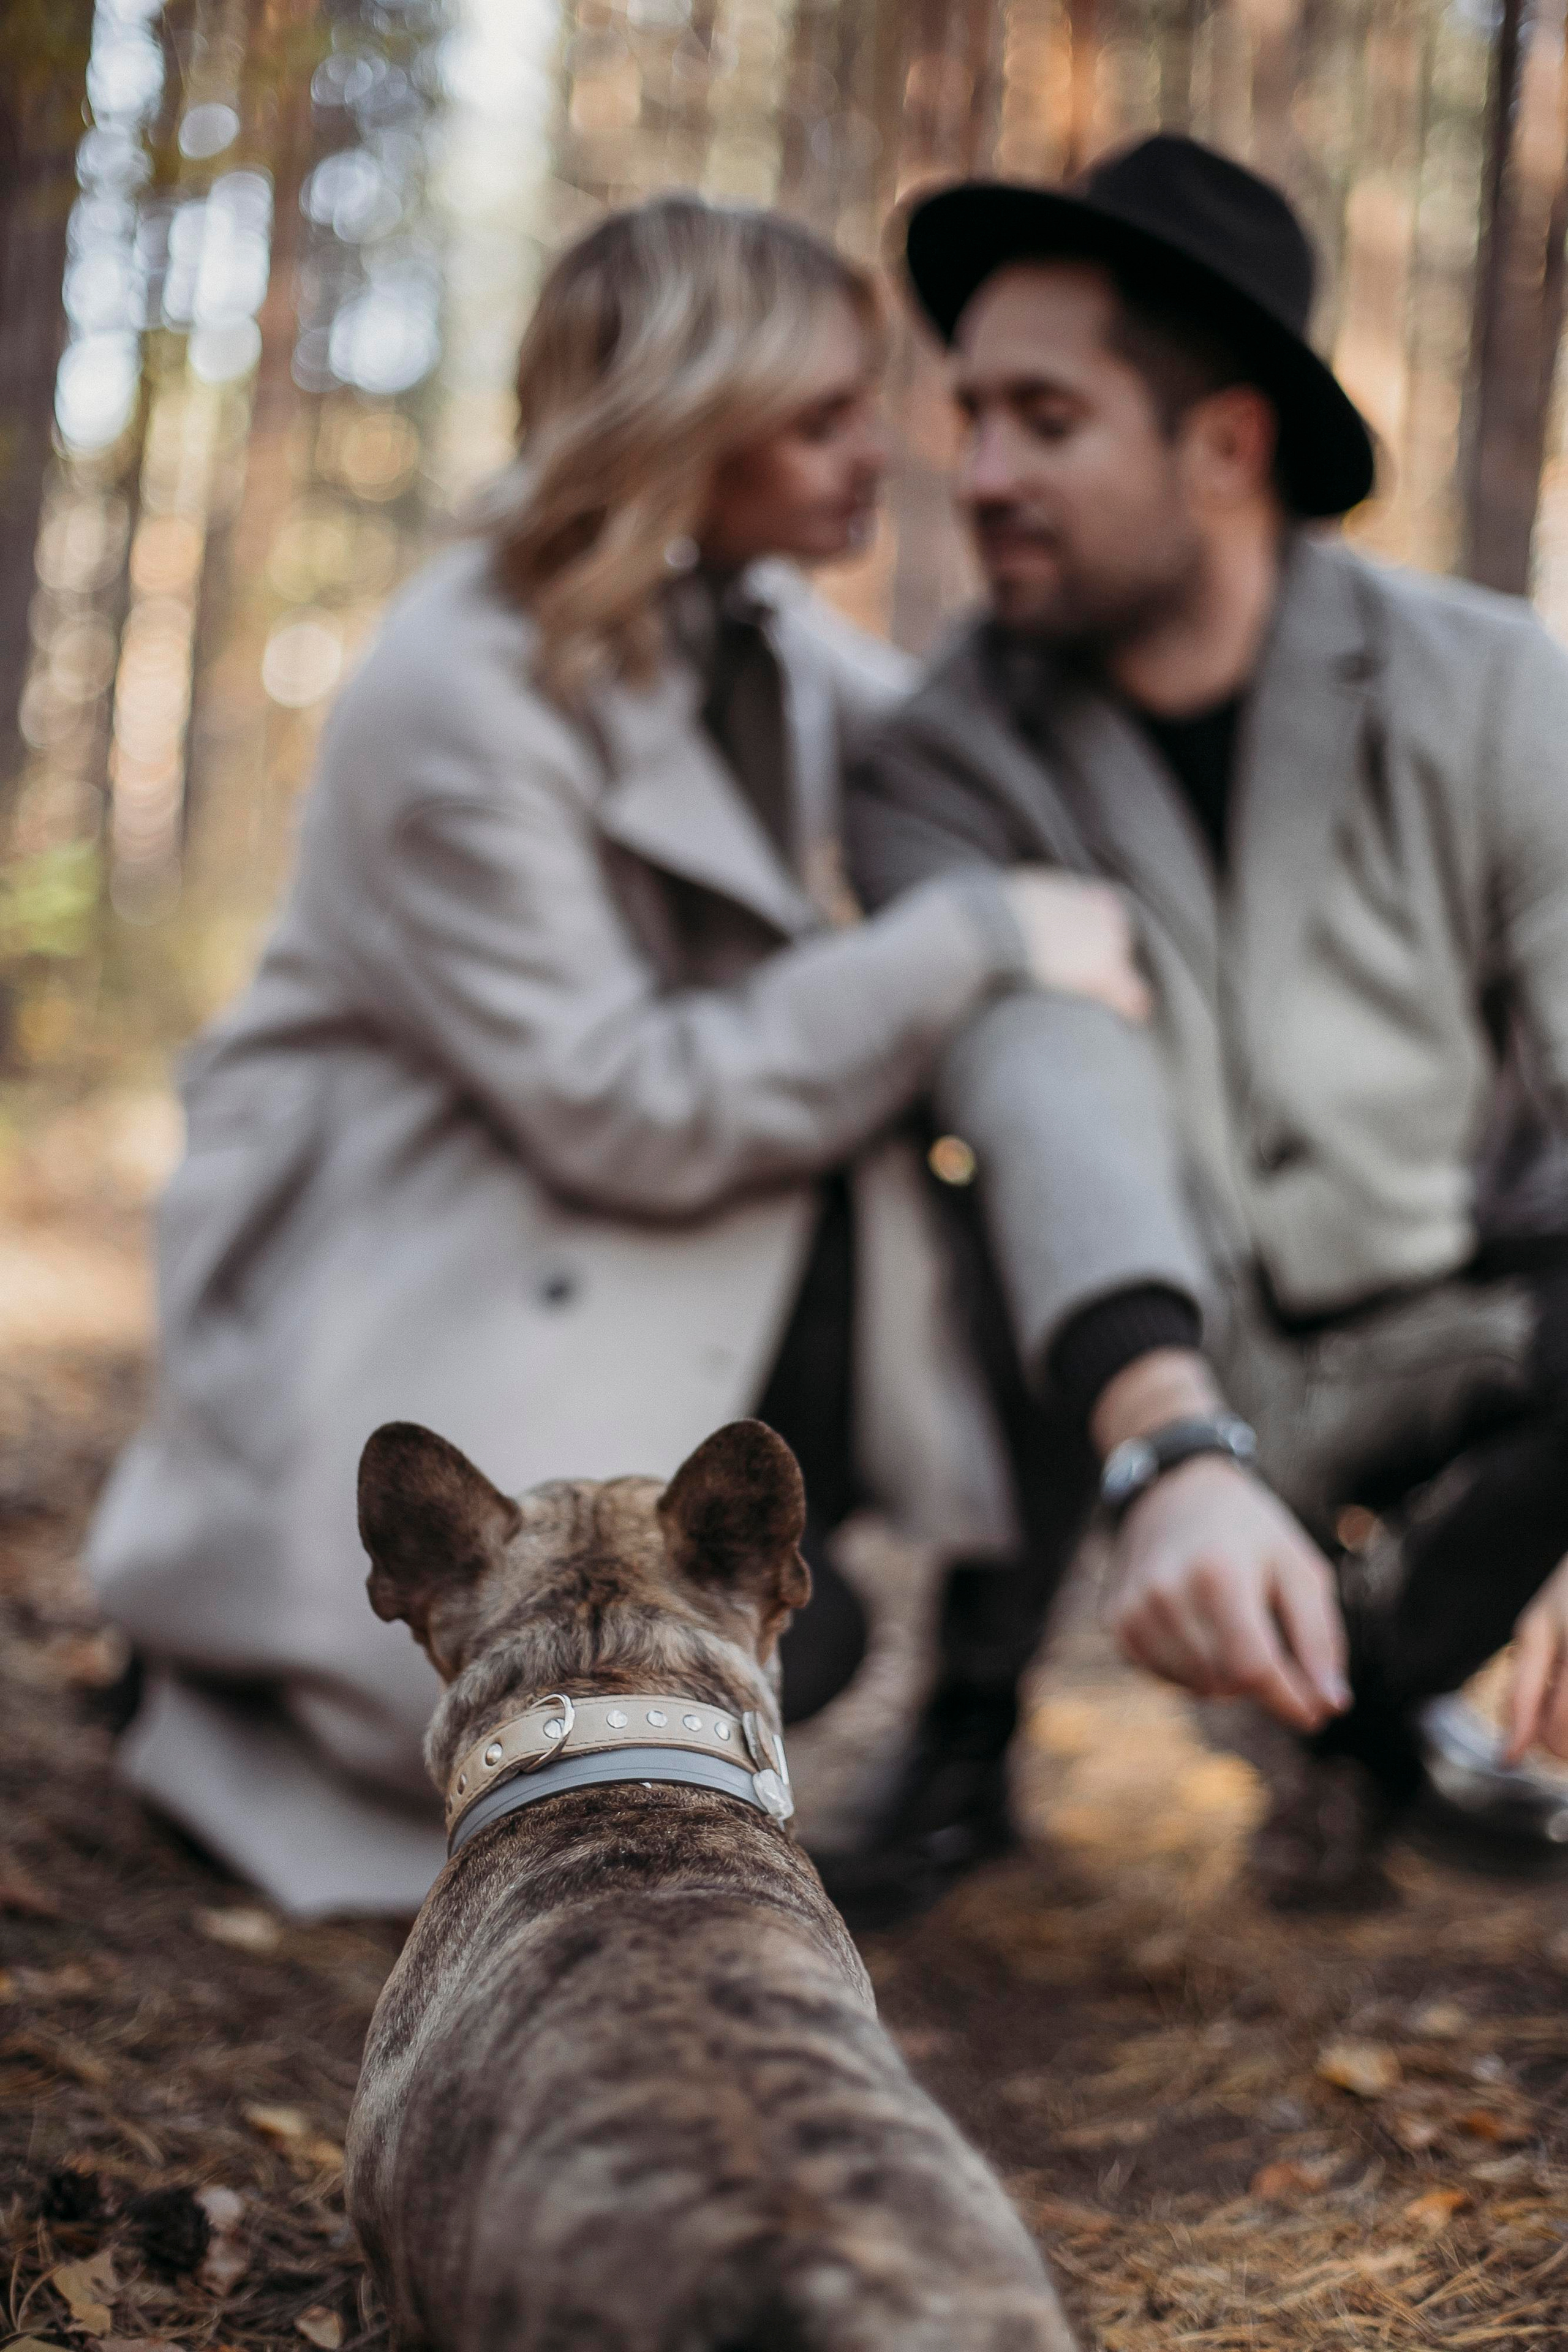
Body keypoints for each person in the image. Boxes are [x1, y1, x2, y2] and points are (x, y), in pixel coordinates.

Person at [87, 195, 1142, 1917]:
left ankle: (960, 1731)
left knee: (1013, 1182)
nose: (884, 452)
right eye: (819, 417)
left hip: (599, 1240)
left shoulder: (755, 625)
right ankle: (236, 1685)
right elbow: (622, 1105)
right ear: (678, 425)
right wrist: (981, 938)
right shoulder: (458, 689)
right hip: (422, 1260)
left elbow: (962, 762)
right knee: (667, 1642)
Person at [849, 134, 1568, 1911]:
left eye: (1047, 420)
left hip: (1435, 1332)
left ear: (1227, 445)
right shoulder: (937, 753)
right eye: (972, 415)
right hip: (1111, 1360)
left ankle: (1373, 1695)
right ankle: (967, 1722)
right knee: (987, 1117)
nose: (981, 473)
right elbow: (1033, 1074)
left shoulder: (1493, 691)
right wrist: (1169, 1434)